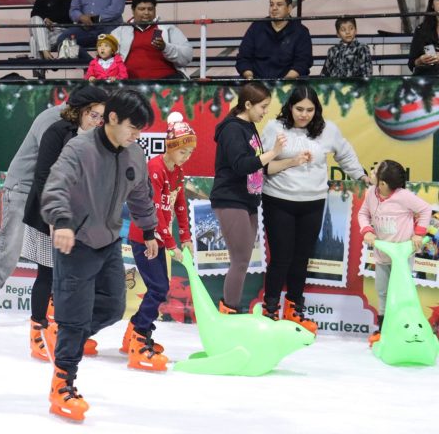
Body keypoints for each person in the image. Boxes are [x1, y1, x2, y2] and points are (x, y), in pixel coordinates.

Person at [40, 88, 158, 421]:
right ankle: (62, 384)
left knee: (113, 306)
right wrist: (61, 221)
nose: (136, 135)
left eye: (140, 130)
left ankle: (63, 336)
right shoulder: (80, 148)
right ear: (112, 118)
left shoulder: (133, 154)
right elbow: (56, 185)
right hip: (75, 241)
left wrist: (149, 230)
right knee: (75, 317)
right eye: (132, 127)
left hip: (107, 242)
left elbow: (140, 196)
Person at [260, 85, 369, 332]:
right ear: (289, 107)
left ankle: (294, 308)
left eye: (310, 110)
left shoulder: (328, 130)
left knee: (301, 258)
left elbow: (346, 155)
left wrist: (361, 176)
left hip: (313, 202)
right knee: (281, 257)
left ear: (316, 110)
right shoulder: (274, 128)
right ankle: (269, 309)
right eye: (299, 109)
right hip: (278, 200)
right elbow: (263, 160)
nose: (304, 114)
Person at [22, 86, 108, 360]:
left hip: (80, 217)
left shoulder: (99, 138)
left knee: (76, 278)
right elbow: (43, 175)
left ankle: (66, 332)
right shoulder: (57, 132)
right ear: (81, 112)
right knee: (48, 273)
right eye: (94, 115)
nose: (98, 121)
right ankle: (38, 331)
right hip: (50, 215)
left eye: (102, 117)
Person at [0, 102, 66, 328]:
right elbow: (49, 160)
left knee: (59, 247)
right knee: (11, 244)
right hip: (24, 187)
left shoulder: (86, 123)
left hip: (52, 191)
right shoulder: (52, 118)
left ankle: (54, 302)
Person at [122, 111, 196, 371]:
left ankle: (133, 334)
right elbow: (153, 212)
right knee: (158, 288)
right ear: (171, 147)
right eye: (183, 152)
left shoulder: (177, 171)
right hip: (145, 237)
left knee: (158, 287)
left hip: (161, 239)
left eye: (189, 153)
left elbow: (180, 205)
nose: (186, 157)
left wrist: (185, 236)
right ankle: (139, 338)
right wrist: (172, 243)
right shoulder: (155, 168)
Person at [210, 82, 285, 313]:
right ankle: (229, 310)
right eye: (263, 106)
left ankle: (232, 308)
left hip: (248, 200)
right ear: (248, 104)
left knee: (242, 260)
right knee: (241, 260)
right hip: (230, 198)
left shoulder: (249, 126)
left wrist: (292, 161)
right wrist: (273, 152)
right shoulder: (232, 129)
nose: (265, 112)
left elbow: (258, 166)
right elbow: (241, 165)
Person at [358, 160, 431, 345]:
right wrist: (367, 230)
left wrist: (419, 233)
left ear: (383, 183)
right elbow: (362, 214)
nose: (371, 172)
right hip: (382, 255)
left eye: (374, 172)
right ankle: (383, 328)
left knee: (402, 292)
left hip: (402, 257)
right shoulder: (371, 194)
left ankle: (403, 327)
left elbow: (425, 210)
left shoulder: (404, 196)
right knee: (382, 291)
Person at [111, 0, 193, 79]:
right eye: (141, 9)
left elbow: (187, 56)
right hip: (130, 82)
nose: (146, 13)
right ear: (133, 10)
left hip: (166, 81)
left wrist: (165, 47)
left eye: (150, 9)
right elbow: (108, 58)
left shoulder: (168, 28)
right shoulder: (120, 31)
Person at [236, 0, 312, 79]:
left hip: (289, 84)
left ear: (289, 8)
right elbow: (243, 58)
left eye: (279, 5)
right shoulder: (256, 27)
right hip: (256, 84)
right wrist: (249, 77)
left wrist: (284, 82)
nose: (274, 8)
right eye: (271, 5)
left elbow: (302, 62)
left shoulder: (301, 32)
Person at [408, 0, 439, 76]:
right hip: (427, 79)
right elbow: (411, 63)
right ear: (432, 4)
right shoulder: (421, 30)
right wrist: (420, 60)